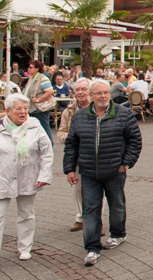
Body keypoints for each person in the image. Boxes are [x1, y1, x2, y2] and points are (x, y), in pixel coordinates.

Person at [63, 79, 142, 266]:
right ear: (91, 96)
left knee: (117, 204)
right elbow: (71, 144)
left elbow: (135, 141)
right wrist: (69, 169)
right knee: (90, 209)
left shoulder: (124, 114)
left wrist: (126, 163)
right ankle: (92, 247)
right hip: (88, 171)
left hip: (115, 170)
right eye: (98, 93)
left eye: (106, 92)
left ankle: (118, 234)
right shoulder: (80, 116)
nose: (103, 96)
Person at [0, 93, 53, 269]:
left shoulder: (35, 126)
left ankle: (25, 248)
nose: (23, 112)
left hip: (28, 177)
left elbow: (47, 152)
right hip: (1, 178)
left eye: (25, 108)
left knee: (26, 214)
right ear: (8, 111)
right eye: (18, 108)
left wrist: (44, 176)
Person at [57, 78, 91, 232]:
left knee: (96, 187)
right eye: (77, 90)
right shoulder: (69, 111)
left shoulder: (97, 108)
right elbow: (60, 133)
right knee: (77, 187)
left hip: (94, 155)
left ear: (90, 91)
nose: (80, 92)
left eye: (83, 89)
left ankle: (97, 221)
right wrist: (71, 138)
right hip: (76, 155)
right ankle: (82, 217)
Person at [22, 60, 55, 144]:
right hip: (31, 108)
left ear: (37, 68)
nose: (28, 69)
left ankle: (49, 145)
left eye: (31, 67)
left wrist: (38, 99)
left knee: (44, 127)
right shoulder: (31, 78)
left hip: (39, 108)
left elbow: (50, 91)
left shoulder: (42, 78)